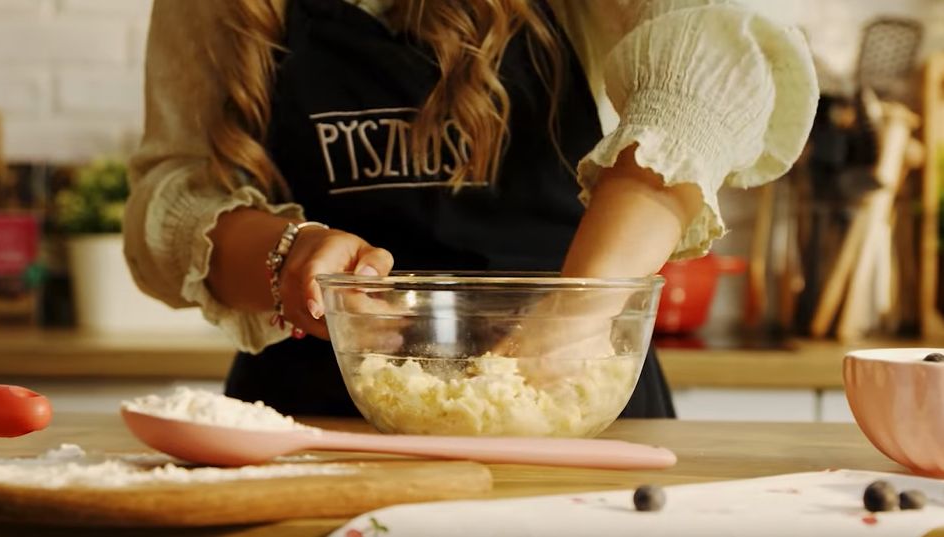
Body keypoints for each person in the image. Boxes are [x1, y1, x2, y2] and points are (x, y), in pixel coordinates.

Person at [125, 0, 818, 418]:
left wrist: (574, 314)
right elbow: (172, 194)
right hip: (317, 415)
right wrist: (287, 258)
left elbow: (713, 50)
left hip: (576, 396)